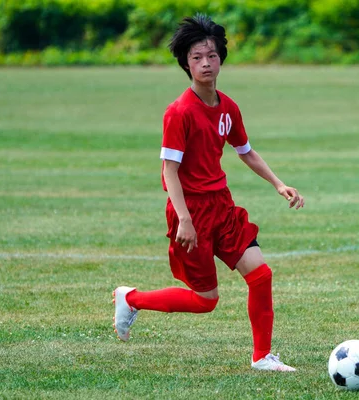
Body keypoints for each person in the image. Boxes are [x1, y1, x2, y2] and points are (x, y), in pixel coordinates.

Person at [113, 14, 304, 372]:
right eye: (197, 57)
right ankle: (131, 298)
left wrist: (279, 183)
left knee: (260, 275)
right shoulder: (179, 112)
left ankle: (262, 357)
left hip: (222, 206)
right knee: (205, 301)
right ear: (186, 62)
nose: (206, 63)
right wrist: (184, 219)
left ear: (221, 59)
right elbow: (169, 170)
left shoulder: (228, 107)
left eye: (212, 56)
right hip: (192, 213)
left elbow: (245, 150)